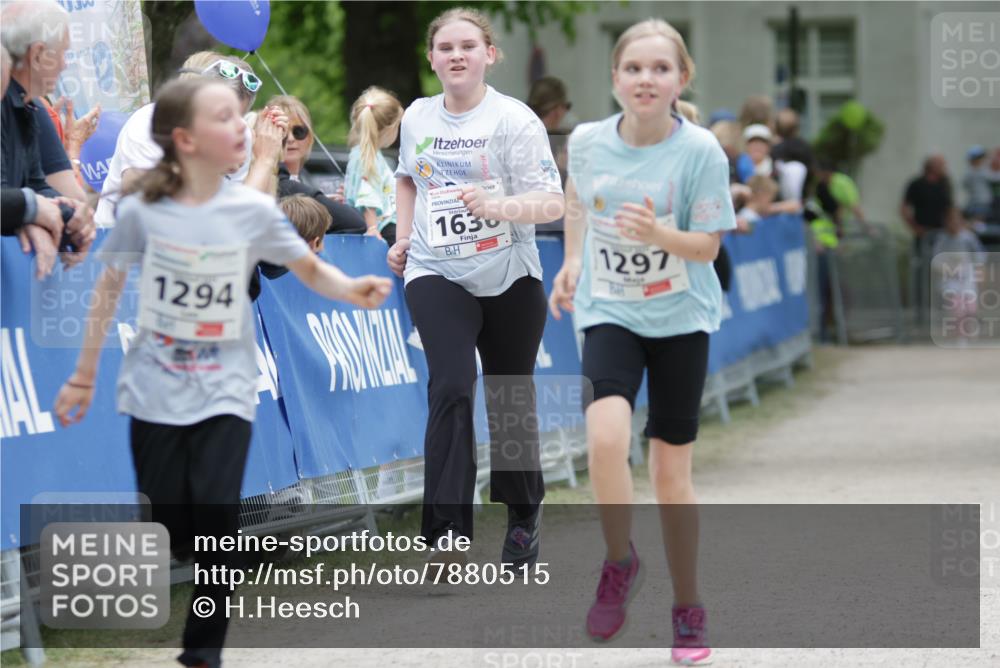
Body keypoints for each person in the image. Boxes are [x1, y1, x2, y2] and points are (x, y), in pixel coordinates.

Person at [53, 78, 391, 668]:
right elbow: (106, 292)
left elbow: (303, 265)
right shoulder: (144, 211)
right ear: (185, 140)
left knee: (217, 520)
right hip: (154, 390)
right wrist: (83, 376)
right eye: (225, 119)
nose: (243, 127)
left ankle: (202, 651)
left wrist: (350, 287)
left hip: (227, 391)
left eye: (241, 117)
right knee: (174, 525)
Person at [548, 18, 735, 665]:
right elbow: (578, 201)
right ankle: (619, 561)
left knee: (669, 476)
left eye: (660, 69)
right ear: (615, 79)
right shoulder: (590, 141)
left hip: (682, 316)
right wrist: (572, 261)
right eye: (634, 68)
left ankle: (688, 605)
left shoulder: (701, 151)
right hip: (610, 310)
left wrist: (660, 236)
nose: (646, 79)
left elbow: (708, 247)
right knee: (604, 438)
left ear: (681, 79)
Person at [387, 7, 564, 567]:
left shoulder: (515, 121)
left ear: (490, 54)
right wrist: (403, 236)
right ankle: (445, 530)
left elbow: (553, 202)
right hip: (435, 269)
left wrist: (499, 206)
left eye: (468, 46)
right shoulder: (417, 117)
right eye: (445, 48)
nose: (456, 55)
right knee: (452, 383)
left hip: (510, 272)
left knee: (510, 395)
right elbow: (408, 179)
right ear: (432, 57)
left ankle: (522, 516)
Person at [94, 51, 267, 226]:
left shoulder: (240, 133)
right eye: (224, 116)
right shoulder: (149, 121)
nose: (235, 125)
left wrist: (267, 159)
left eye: (240, 115)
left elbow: (240, 218)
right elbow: (141, 201)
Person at [1, 0, 95, 265]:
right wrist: (32, 211)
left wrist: (70, 216)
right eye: (63, 52)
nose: (65, 65)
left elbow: (36, 184)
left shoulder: (27, 104)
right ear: (38, 54)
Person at [345, 86, 404, 244]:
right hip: (385, 229)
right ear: (388, 129)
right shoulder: (369, 158)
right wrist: (372, 228)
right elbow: (367, 194)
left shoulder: (358, 154)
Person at [962, 145, 993, 221]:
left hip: (983, 203)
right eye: (979, 158)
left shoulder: (982, 170)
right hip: (978, 203)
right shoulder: (973, 172)